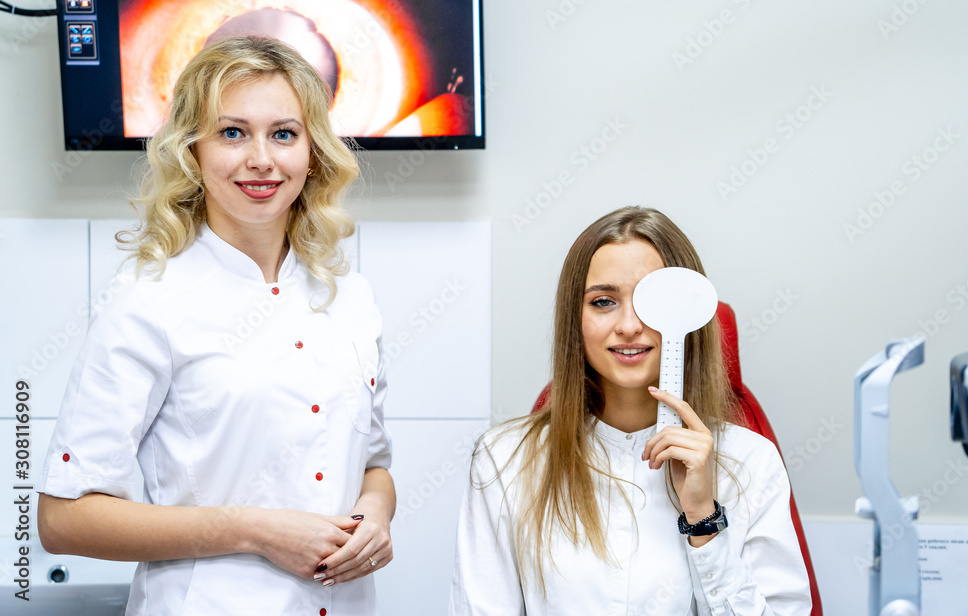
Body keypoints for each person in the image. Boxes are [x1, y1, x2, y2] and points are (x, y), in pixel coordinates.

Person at [37, 36, 394, 615]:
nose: (262, 159)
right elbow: (64, 520)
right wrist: (253, 529)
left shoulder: (351, 298)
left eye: (284, 133)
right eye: (232, 133)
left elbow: (374, 465)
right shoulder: (148, 301)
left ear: (313, 151)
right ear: (192, 151)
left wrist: (375, 516)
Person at [449, 206, 811, 615]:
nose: (628, 325)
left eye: (650, 302)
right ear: (575, 319)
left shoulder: (751, 462)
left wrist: (704, 521)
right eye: (603, 302)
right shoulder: (504, 461)